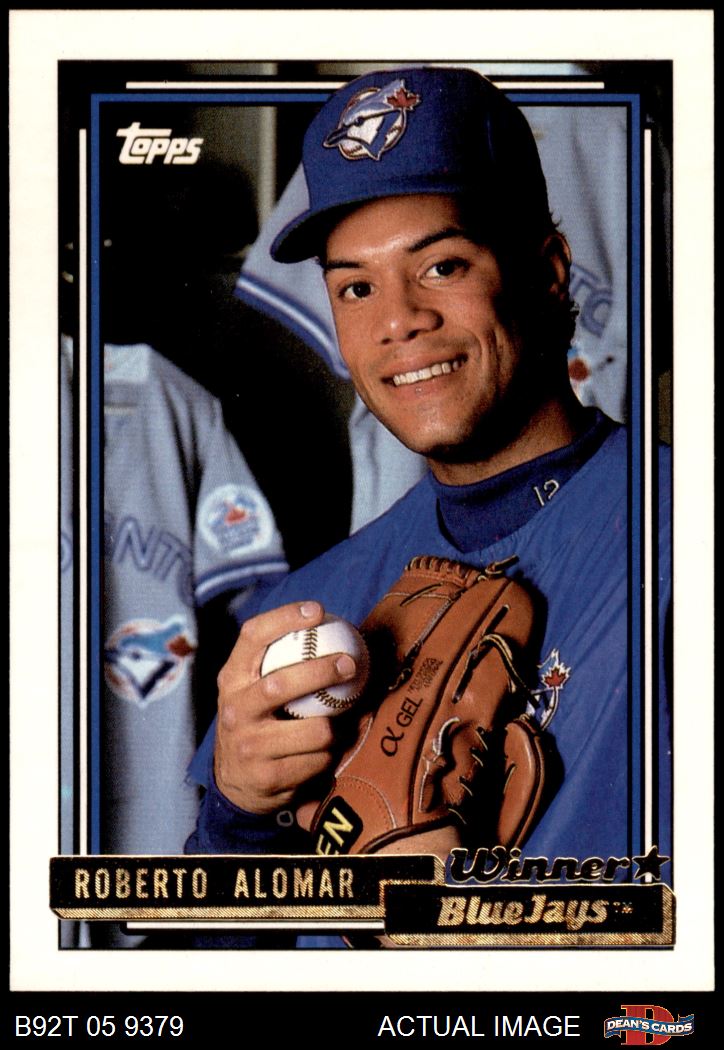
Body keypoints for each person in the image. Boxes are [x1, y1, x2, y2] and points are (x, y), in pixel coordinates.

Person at [187, 67, 670, 893]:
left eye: (442, 266)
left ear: (548, 272)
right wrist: (237, 817)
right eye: (356, 287)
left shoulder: (678, 540)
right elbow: (211, 946)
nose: (398, 321)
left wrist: (480, 918)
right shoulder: (303, 608)